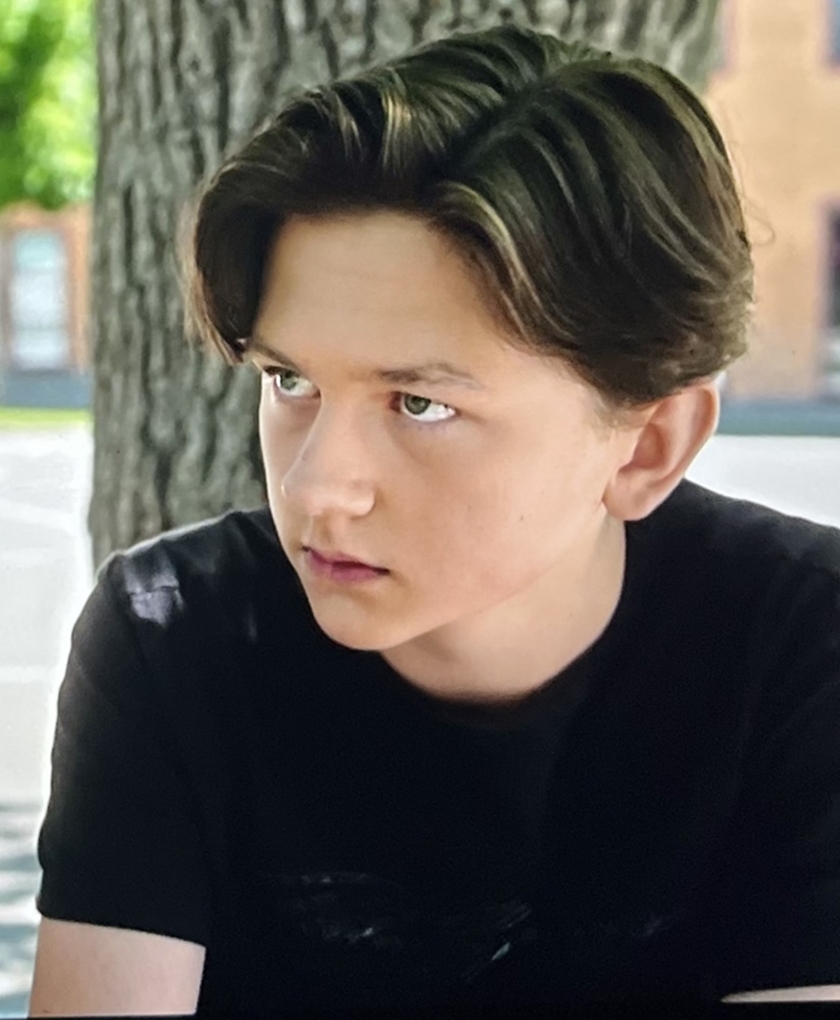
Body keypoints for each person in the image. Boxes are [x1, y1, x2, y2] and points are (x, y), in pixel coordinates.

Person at [28, 22, 840, 1016]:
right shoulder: (176, 636)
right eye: (290, 381)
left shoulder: (801, 645)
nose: (319, 488)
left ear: (646, 447)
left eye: (420, 404)